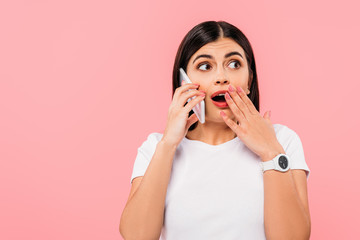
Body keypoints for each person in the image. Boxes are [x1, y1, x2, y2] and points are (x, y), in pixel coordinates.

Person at [120, 20, 311, 240]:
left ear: (249, 80)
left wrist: (270, 152)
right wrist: (168, 144)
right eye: (205, 66)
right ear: (184, 81)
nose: (222, 77)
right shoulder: (156, 147)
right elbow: (136, 236)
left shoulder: (283, 141)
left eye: (234, 64)